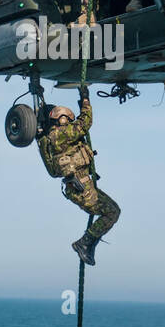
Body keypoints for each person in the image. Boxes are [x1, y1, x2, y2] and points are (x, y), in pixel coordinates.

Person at [37, 87, 120, 266]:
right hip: (81, 187)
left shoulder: (51, 138)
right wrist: (85, 100)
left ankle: (87, 243)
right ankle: (85, 243)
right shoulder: (60, 135)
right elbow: (85, 123)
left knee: (112, 211)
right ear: (62, 119)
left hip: (80, 186)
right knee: (112, 212)